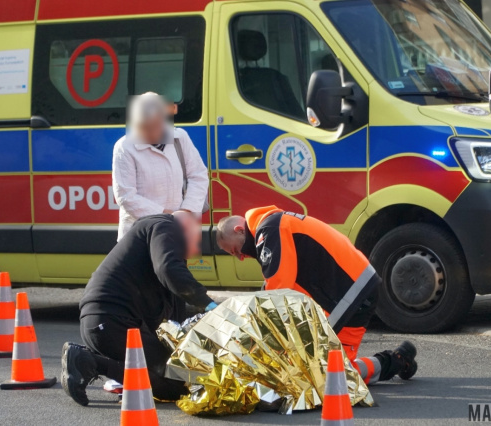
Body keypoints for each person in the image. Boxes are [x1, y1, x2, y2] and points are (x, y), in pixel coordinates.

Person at [216, 206, 417, 385]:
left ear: (239, 230)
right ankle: (398, 360)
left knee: (330, 374)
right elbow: (281, 286)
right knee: (334, 370)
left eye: (235, 250)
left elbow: (278, 291)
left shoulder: (269, 230)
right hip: (353, 289)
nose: (241, 257)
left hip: (350, 293)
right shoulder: (274, 226)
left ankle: (395, 361)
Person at [61, 211, 217, 406]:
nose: (196, 252)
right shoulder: (164, 226)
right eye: (197, 242)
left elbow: (174, 314)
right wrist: (208, 304)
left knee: (174, 370)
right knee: (175, 385)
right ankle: (89, 362)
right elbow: (169, 269)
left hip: (106, 323)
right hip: (112, 322)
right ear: (185, 227)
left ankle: (89, 360)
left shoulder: (151, 240)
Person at [112, 92, 208, 241]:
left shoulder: (180, 138)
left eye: (154, 126)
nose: (148, 133)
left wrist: (186, 211)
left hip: (178, 231)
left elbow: (199, 175)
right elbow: (125, 196)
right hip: (140, 235)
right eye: (143, 127)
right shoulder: (124, 147)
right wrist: (167, 216)